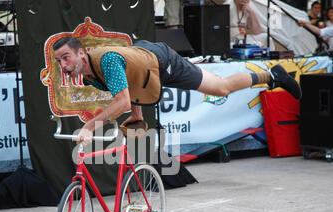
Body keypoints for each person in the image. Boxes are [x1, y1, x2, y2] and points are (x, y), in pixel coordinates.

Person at [53, 37, 301, 145]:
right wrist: (137, 115)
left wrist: (89, 126)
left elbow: (123, 101)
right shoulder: (88, 75)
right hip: (144, 62)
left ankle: (272, 75)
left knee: (220, 88)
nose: (63, 66)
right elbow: (129, 84)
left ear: (82, 54)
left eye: (66, 58)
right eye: (59, 61)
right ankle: (271, 76)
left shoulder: (104, 62)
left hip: (161, 61)